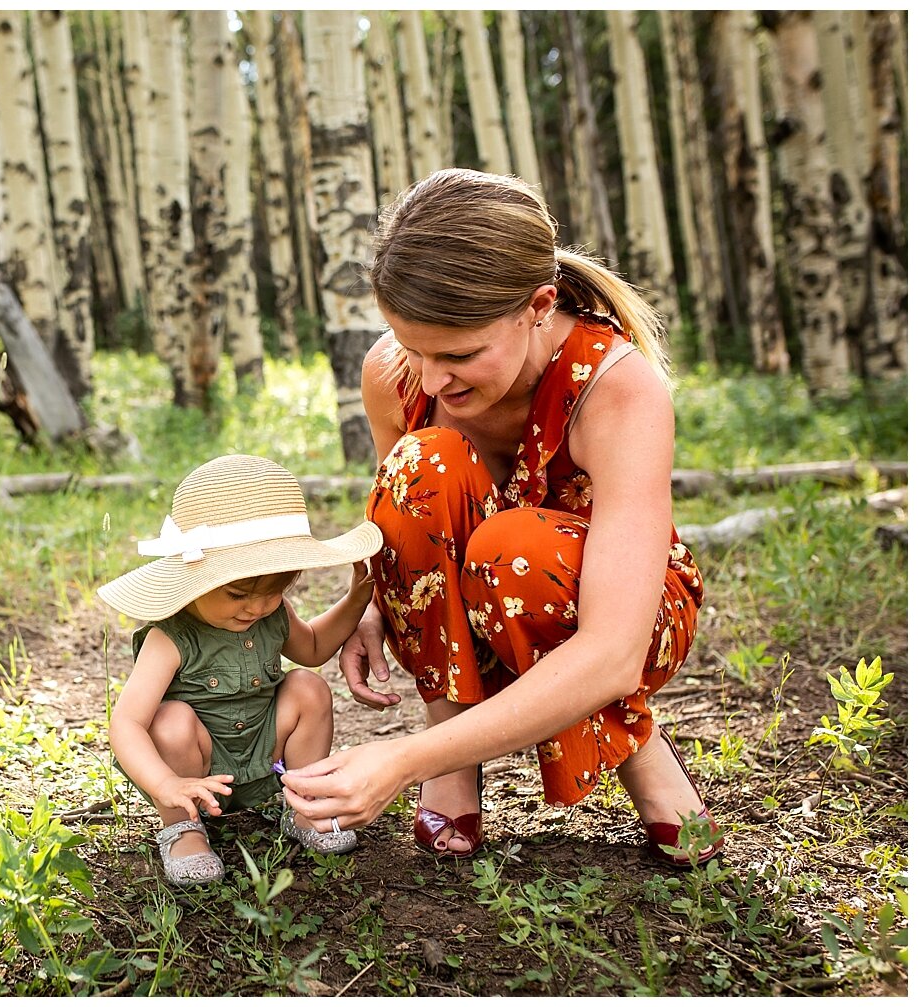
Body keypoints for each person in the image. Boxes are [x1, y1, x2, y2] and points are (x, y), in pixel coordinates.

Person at [280, 168, 723, 867]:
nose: (430, 381)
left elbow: (612, 647)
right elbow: (403, 523)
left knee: (514, 550)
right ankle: (451, 733)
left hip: (620, 618)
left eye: (458, 355)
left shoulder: (618, 390)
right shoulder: (393, 374)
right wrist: (367, 605)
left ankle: (637, 744)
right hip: (473, 600)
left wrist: (401, 759)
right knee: (420, 465)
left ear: (538, 305)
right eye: (413, 348)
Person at [99, 454, 382, 885]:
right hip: (196, 766)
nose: (257, 607)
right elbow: (126, 723)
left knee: (308, 685)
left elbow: (315, 648)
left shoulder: (269, 613)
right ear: (194, 579)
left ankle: (306, 805)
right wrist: (166, 784)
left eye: (274, 591)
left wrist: (357, 600)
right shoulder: (171, 637)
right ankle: (182, 829)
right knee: (170, 720)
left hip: (262, 753)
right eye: (237, 593)